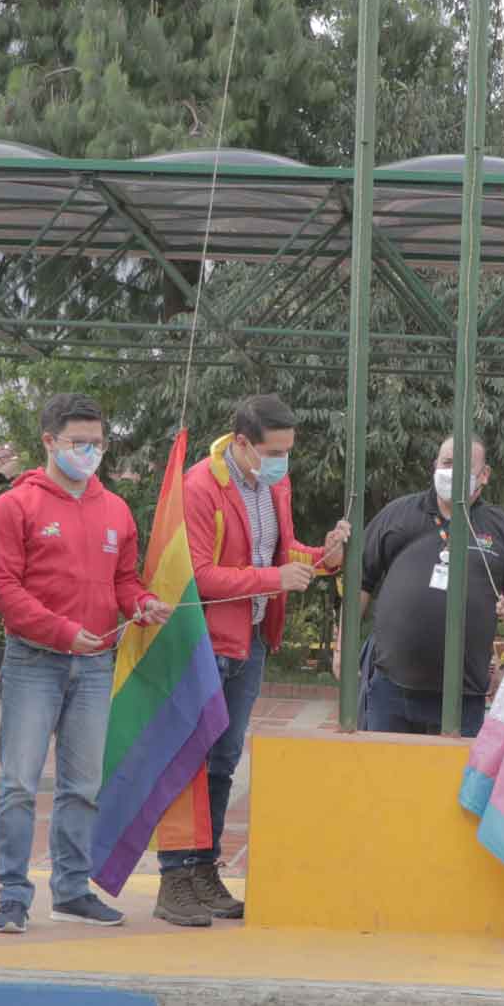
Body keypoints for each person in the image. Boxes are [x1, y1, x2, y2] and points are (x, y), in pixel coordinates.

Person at [0, 394, 168, 932]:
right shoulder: (15, 506)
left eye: (97, 443)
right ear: (49, 442)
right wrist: (63, 631)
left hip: (94, 667)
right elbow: (4, 588)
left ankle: (70, 889)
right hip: (34, 661)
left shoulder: (114, 509)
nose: (90, 453)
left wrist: (142, 604)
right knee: (19, 783)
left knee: (82, 786)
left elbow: (123, 582)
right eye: (78, 443)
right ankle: (13, 894)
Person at [166, 394, 351, 927]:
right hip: (205, 643)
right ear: (243, 443)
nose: (283, 462)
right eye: (275, 452)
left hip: (250, 642)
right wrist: (273, 580)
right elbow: (197, 573)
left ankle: (205, 869)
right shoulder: (201, 486)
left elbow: (281, 551)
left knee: (223, 762)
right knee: (188, 763)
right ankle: (174, 877)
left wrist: (324, 557)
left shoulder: (274, 485)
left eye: (289, 452)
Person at [353, 437, 504, 738]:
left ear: (484, 474)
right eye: (448, 463)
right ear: (435, 465)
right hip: (391, 689)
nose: (453, 472)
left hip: (463, 698)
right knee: (384, 782)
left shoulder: (502, 529)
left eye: (465, 466)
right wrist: (341, 649)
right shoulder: (398, 514)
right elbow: (360, 582)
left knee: (451, 784)